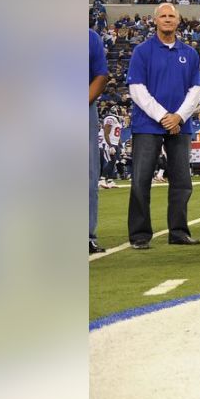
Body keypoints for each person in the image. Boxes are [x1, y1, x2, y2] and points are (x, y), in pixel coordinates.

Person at [126, 3, 200, 249]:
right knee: (141, 179)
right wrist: (164, 117)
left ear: (178, 21)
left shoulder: (190, 53)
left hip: (180, 126)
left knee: (181, 180)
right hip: (148, 125)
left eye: (172, 16)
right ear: (155, 20)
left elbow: (196, 90)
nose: (168, 19)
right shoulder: (142, 51)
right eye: (164, 16)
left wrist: (178, 117)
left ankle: (178, 231)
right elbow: (137, 89)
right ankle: (139, 235)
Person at [89, 29, 110, 254]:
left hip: (84, 104)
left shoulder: (89, 37)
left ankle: (86, 235)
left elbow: (101, 75)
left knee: (88, 174)